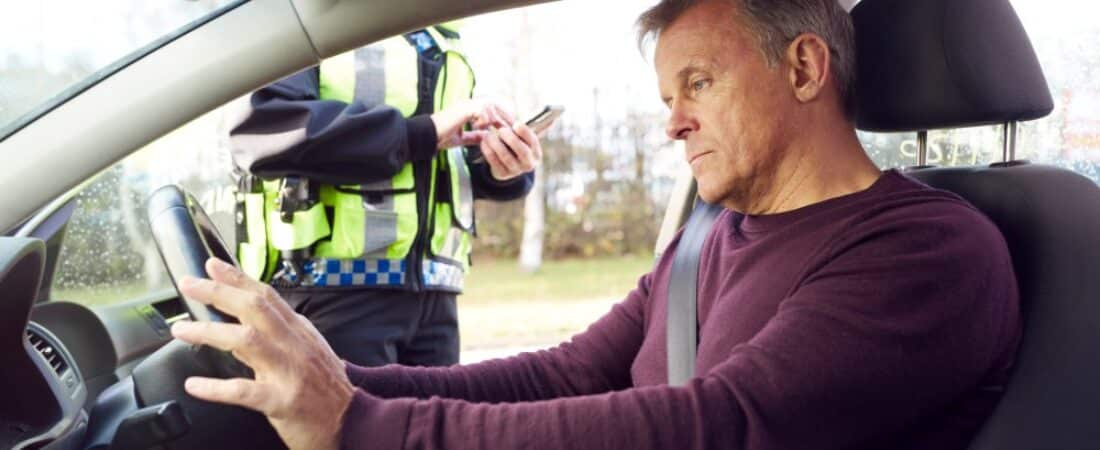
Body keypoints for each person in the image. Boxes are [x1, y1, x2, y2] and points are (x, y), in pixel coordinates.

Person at [174, 1, 1022, 449]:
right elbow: (567, 375)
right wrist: (338, 378)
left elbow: (723, 426)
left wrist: (360, 427)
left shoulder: (929, 251)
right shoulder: (711, 238)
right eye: (666, 98)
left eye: (698, 84)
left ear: (803, 66)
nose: (673, 123)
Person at [228, 23, 542, 367]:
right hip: (332, 296)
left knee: (437, 422)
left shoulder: (441, 33)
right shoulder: (307, 20)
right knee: (350, 423)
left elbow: (445, 161)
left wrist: (499, 170)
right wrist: (423, 133)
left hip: (436, 298)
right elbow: (264, 130)